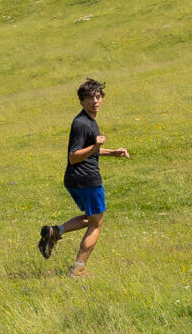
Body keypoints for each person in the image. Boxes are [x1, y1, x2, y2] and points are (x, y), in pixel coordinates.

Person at [39, 78, 129, 277]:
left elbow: (87, 151)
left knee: (91, 218)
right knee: (97, 222)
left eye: (98, 97)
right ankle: (78, 268)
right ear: (81, 101)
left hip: (76, 179)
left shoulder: (88, 121)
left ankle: (56, 232)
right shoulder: (81, 123)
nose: (95, 101)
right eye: (89, 98)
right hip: (86, 179)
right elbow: (74, 156)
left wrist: (111, 152)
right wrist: (96, 147)